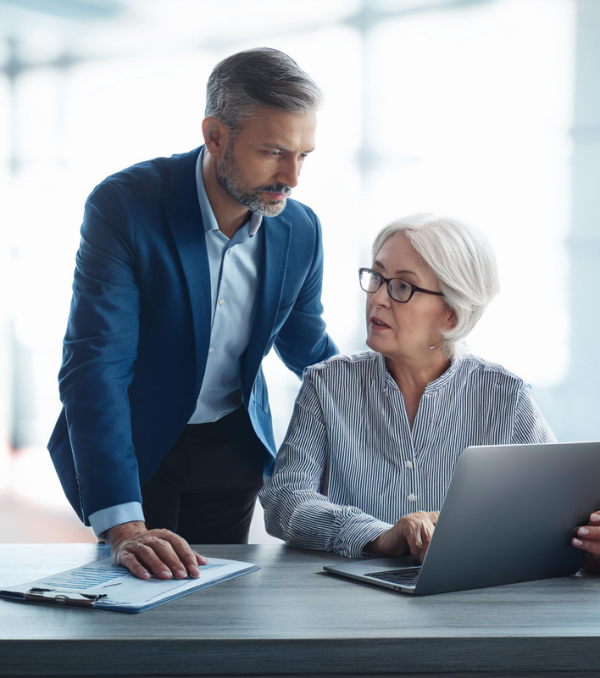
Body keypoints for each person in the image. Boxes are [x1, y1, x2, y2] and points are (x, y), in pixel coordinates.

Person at [48, 48, 338, 580]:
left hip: (231, 449)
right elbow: (97, 366)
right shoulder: (125, 206)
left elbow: (310, 349)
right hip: (134, 446)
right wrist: (124, 526)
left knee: (216, 609)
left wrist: (400, 382)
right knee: (132, 601)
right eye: (274, 152)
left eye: (304, 155)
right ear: (215, 136)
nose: (292, 177)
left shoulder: (301, 229)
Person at [261, 213, 576, 563]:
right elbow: (284, 500)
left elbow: (559, 511)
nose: (378, 298)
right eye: (377, 277)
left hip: (468, 601)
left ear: (451, 315)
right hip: (347, 603)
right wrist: (378, 536)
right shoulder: (327, 384)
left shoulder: (505, 395)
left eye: (402, 287)